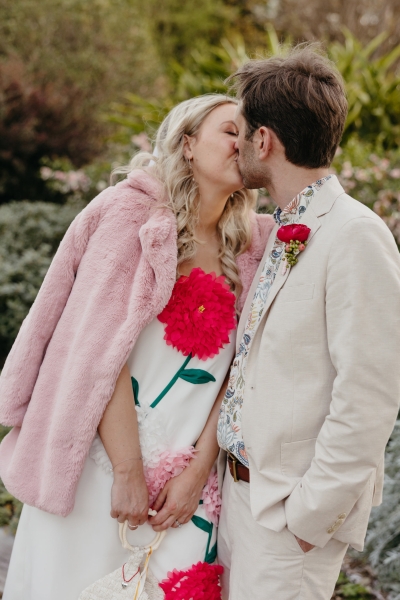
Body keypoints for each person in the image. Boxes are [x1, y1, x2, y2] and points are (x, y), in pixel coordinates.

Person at [0, 94, 275, 599]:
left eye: (251, 134)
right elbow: (97, 350)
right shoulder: (130, 216)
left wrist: (197, 474)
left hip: (185, 492)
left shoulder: (256, 245)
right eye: (229, 131)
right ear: (187, 143)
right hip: (98, 470)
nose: (243, 144)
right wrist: (127, 473)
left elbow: (242, 376)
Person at [217, 45, 400, 600]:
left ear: (264, 140)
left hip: (287, 519)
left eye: (240, 132)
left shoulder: (355, 234)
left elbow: (370, 393)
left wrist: (309, 516)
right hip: (240, 497)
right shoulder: (282, 227)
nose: (235, 145)